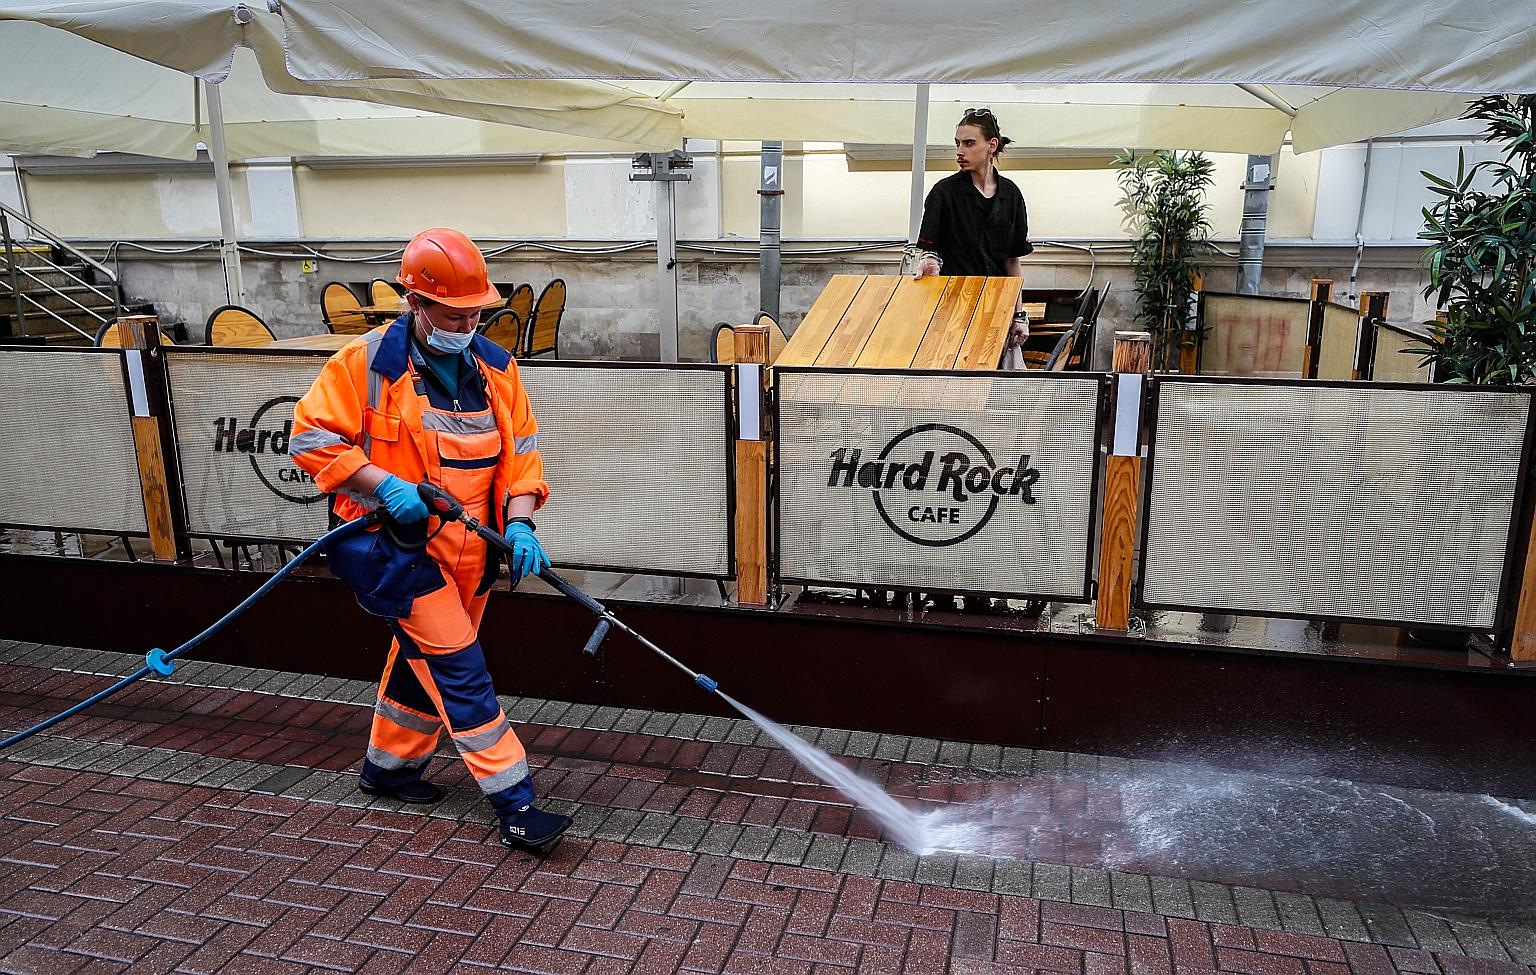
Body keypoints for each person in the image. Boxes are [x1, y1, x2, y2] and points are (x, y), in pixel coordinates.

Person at [288, 227, 571, 853]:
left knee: (424, 666)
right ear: (415, 303)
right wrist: (386, 486)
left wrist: (520, 521)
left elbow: (523, 458)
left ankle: (388, 770)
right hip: (398, 552)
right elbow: (309, 438)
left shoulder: (498, 370)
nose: (468, 323)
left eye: (477, 312)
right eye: (454, 313)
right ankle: (516, 803)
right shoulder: (362, 366)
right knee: (460, 669)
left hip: (475, 552)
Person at [913, 107, 1034, 353]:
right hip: (953, 311)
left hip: (997, 309)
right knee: (957, 385)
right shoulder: (943, 193)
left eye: (969, 143)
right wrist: (928, 261)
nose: (960, 151)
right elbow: (929, 251)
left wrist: (1019, 315)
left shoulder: (1011, 194)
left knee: (991, 385)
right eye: (957, 143)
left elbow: (1013, 260)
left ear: (992, 145)